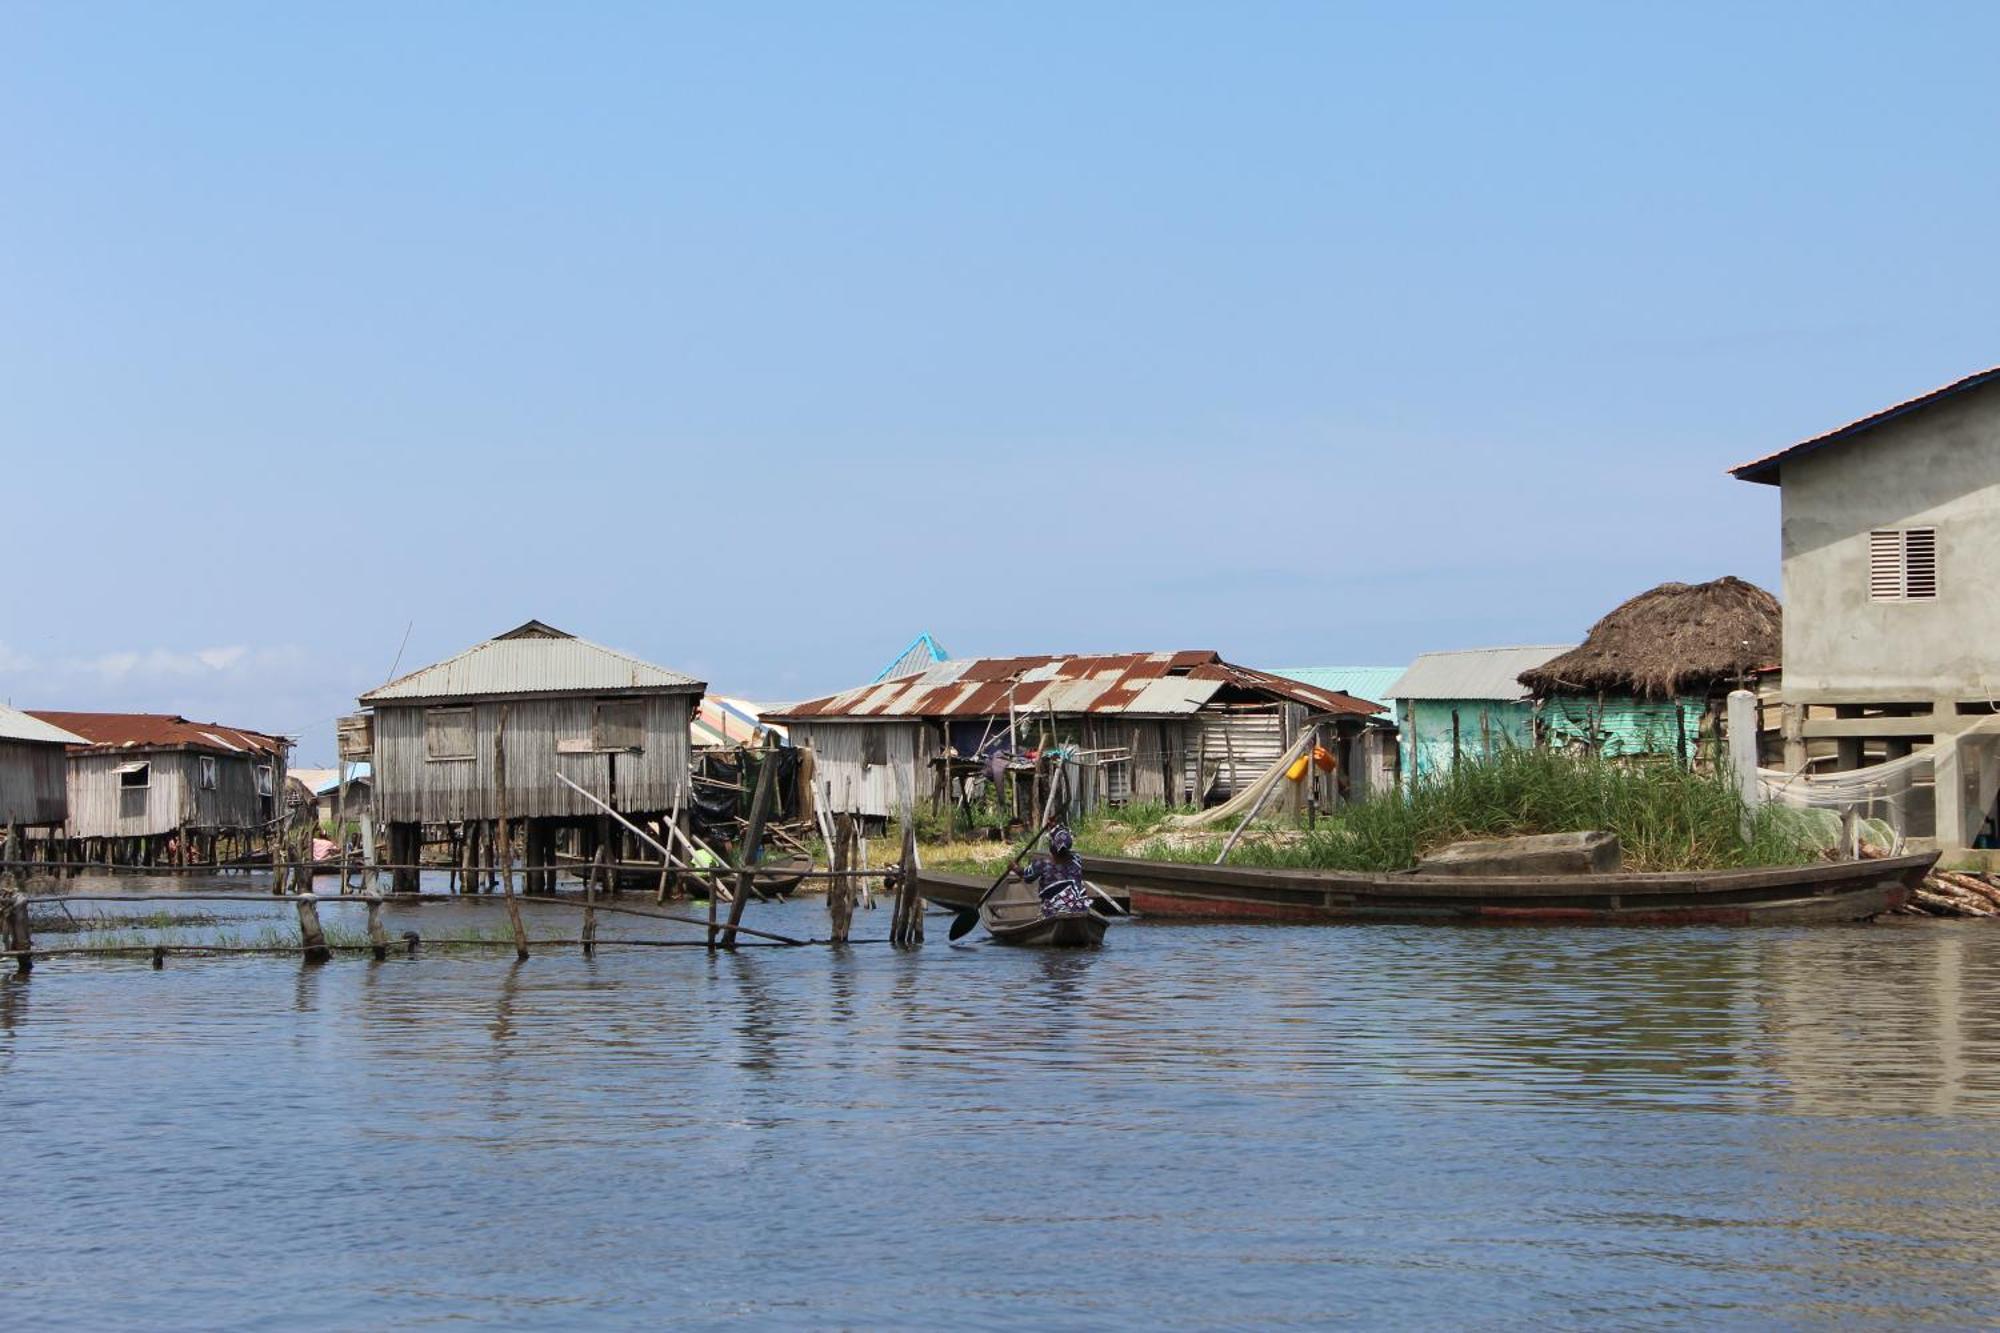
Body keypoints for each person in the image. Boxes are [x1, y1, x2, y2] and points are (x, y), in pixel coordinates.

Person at [1018, 825, 1091, 918]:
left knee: (1047, 911)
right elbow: (1064, 839)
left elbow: (1027, 877)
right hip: (1078, 908)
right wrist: (1052, 825)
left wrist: (1015, 867)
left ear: (1051, 848)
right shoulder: (1077, 860)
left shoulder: (1042, 864)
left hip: (1052, 911)